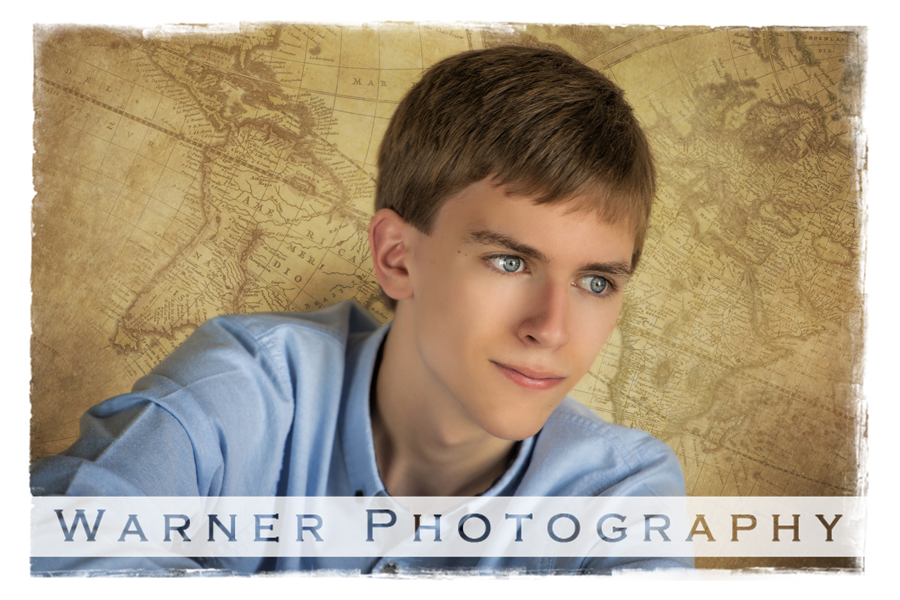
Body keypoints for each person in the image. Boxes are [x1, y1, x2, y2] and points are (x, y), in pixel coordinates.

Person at [31, 45, 691, 575]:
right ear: (398, 257)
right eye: (510, 261)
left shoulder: (622, 495)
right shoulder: (244, 389)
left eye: (596, 283)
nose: (551, 328)